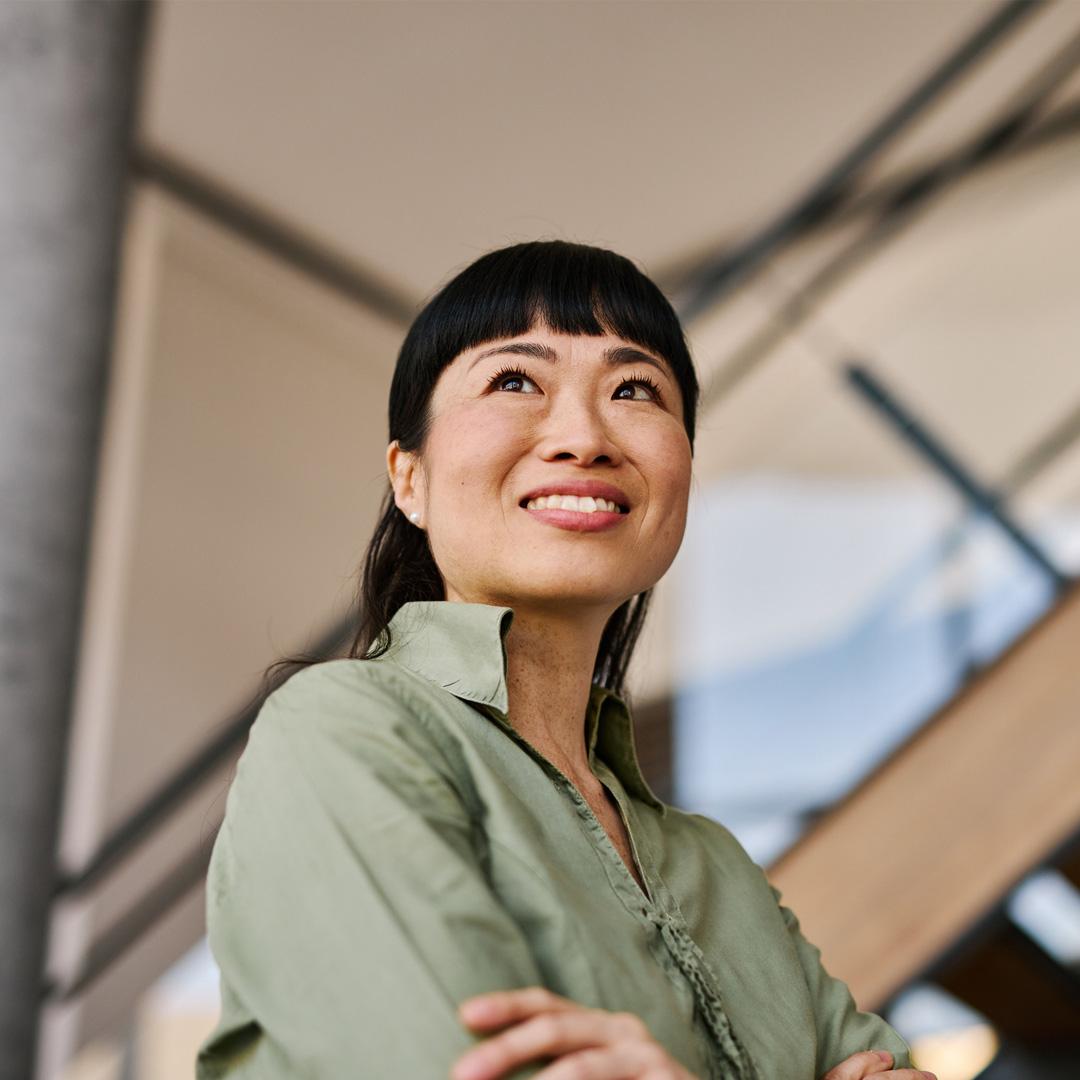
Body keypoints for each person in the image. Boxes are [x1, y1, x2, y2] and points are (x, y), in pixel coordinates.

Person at [195, 241, 930, 1080]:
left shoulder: (716, 865)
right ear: (411, 478)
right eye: (515, 381)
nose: (584, 436)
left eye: (635, 390)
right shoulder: (343, 729)